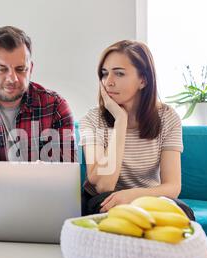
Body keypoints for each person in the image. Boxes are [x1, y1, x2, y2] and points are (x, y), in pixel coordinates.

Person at [79, 40, 194, 220]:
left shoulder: (168, 118)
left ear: (143, 80)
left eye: (119, 73)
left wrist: (132, 196)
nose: (108, 82)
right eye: (104, 73)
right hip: (103, 199)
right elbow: (103, 185)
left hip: (148, 198)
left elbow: (172, 187)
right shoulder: (92, 120)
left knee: (183, 212)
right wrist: (120, 121)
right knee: (113, 212)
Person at [0, 26, 76, 162]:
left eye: (21, 69)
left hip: (42, 184)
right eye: (2, 69)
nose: (13, 79)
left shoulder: (56, 107)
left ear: (30, 69)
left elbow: (64, 170)